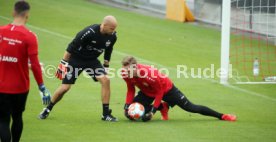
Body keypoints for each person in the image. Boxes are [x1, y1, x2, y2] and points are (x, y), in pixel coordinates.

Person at [39, 15, 118, 122]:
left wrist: (106, 67)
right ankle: (47, 109)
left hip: (92, 61)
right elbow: (71, 47)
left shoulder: (112, 36)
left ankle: (105, 114)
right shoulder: (88, 32)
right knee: (65, 88)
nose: (113, 31)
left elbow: (108, 50)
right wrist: (63, 64)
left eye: (114, 29)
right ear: (104, 25)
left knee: (106, 80)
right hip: (76, 60)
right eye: (111, 28)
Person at [121, 56, 237, 122]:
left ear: (135, 67)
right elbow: (131, 90)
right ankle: (163, 107)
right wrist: (127, 106)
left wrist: (153, 111)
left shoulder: (149, 74)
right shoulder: (125, 74)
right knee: (131, 114)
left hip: (166, 90)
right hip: (147, 92)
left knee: (191, 107)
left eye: (128, 70)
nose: (126, 72)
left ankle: (222, 116)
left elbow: (159, 92)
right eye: (125, 69)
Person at [0, 1, 51, 142]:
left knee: (3, 120)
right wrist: (41, 86)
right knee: (17, 117)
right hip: (20, 87)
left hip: (1, 86)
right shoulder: (30, 36)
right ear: (27, 15)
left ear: (13, 12)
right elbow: (35, 64)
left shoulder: (1, 32)